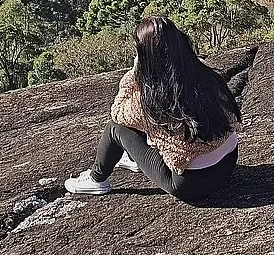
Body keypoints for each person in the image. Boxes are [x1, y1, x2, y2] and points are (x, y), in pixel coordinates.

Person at [64, 16, 241, 202]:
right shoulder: (203, 73)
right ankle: (135, 159)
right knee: (157, 124)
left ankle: (96, 179)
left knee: (116, 128)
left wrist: (135, 72)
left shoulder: (152, 97)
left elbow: (117, 113)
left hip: (191, 184)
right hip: (228, 163)